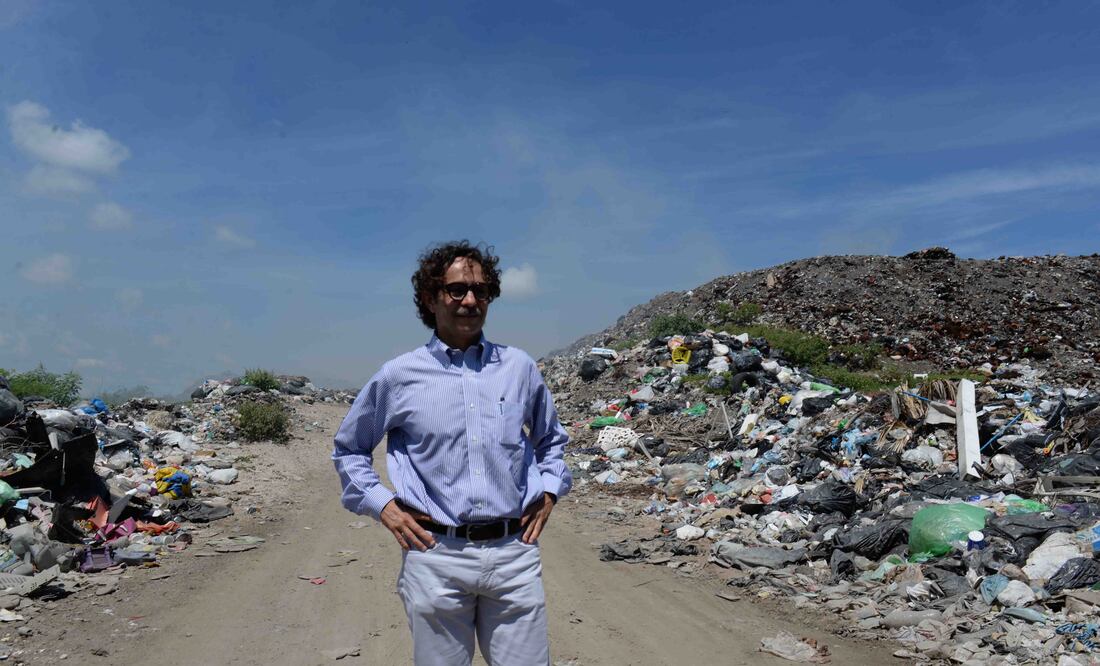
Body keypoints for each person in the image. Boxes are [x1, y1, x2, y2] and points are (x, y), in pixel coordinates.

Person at [333, 240, 572, 666]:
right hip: (435, 556)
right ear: (430, 297)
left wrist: (549, 491)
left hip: (513, 554)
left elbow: (551, 440)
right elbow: (350, 449)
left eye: (481, 291)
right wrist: (383, 506)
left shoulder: (518, 368)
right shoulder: (399, 375)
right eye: (457, 290)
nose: (470, 300)